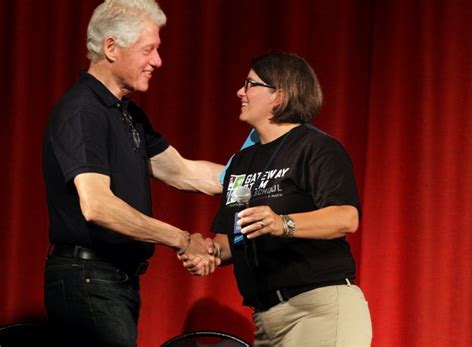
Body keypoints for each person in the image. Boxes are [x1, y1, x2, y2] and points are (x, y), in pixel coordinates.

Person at [42, 1, 222, 346]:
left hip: (114, 281)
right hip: (88, 280)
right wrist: (182, 239)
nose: (158, 61)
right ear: (111, 47)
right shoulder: (83, 111)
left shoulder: (128, 115)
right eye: (149, 49)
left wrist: (259, 178)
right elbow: (98, 206)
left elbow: (184, 172)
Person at [181, 52, 373, 346]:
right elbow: (232, 239)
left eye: (250, 84)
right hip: (265, 319)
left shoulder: (317, 148)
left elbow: (346, 218)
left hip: (318, 310)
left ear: (279, 96)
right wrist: (209, 252)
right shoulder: (241, 163)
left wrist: (282, 223)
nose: (240, 92)